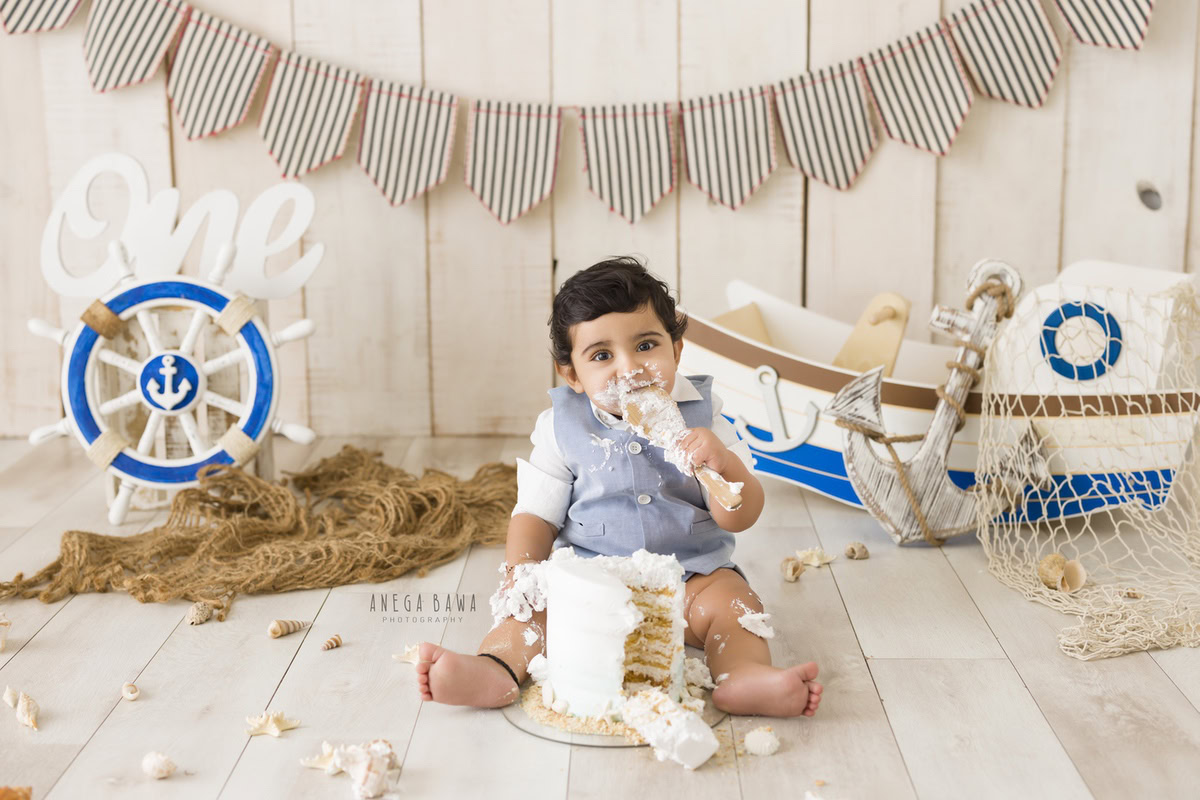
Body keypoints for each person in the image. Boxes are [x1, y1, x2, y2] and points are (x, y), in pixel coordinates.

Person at [415, 256, 822, 718]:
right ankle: (495, 669)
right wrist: (522, 573)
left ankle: (743, 676)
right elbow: (536, 513)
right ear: (571, 374)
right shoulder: (560, 428)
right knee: (530, 613)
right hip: (587, 584)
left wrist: (724, 464)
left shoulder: (707, 420)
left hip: (690, 580)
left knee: (735, 604)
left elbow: (741, 515)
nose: (629, 368)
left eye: (646, 345)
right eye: (602, 355)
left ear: (677, 349)